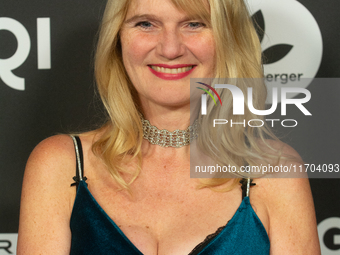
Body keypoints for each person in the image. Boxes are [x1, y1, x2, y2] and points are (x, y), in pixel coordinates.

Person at [17, 0, 321, 254]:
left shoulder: (278, 174)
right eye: (146, 24)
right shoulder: (58, 164)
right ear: (118, 38)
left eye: (194, 24)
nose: (171, 49)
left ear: (228, 38)